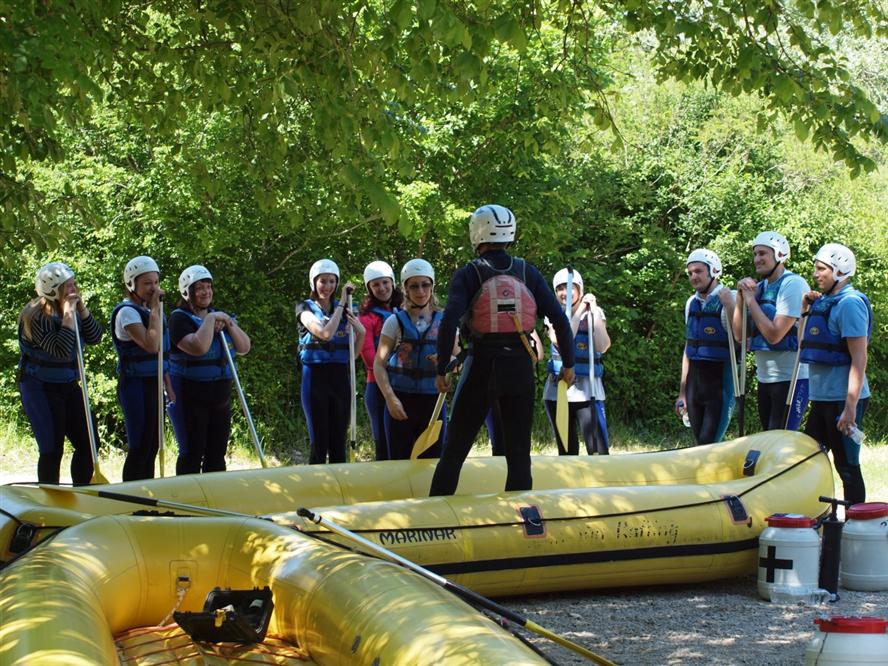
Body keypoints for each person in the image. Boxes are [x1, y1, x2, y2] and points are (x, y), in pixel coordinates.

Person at [429, 204, 575, 495]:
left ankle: (435, 519)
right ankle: (524, 522)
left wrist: (442, 367)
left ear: (476, 233)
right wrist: (569, 364)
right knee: (519, 454)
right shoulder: (527, 271)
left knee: (455, 450)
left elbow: (448, 323)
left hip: (481, 364)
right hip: (519, 367)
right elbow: (559, 318)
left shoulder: (469, 274)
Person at [18, 262, 103, 484]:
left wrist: (82, 310)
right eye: (68, 287)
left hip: (67, 384)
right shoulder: (35, 315)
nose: (74, 290)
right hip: (40, 387)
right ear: (53, 290)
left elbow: (94, 338)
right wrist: (67, 316)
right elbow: (62, 351)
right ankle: (48, 500)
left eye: (74, 284)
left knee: (89, 442)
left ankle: (81, 491)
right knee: (51, 448)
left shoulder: (73, 308)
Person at [800, 243, 872, 505]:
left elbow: (859, 358)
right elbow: (802, 344)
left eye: (822, 269)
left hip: (843, 399)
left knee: (847, 467)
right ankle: (817, 518)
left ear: (840, 271)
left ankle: (857, 526)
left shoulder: (850, 304)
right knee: (807, 460)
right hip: (823, 398)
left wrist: (850, 408)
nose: (816, 274)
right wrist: (804, 308)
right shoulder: (823, 302)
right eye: (816, 269)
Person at [169, 265, 251, 474]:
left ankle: (215, 497)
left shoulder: (220, 316)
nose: (206, 292)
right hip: (190, 393)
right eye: (199, 288)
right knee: (192, 452)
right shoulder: (179, 319)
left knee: (217, 453)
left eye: (208, 287)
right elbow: (198, 347)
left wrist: (229, 323)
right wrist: (212, 320)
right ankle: (186, 500)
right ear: (187, 292)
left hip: (220, 395)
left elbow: (244, 347)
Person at [374, 259, 457, 459]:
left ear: (432, 286)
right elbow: (379, 365)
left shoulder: (446, 323)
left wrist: (448, 362)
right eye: (414, 286)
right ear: (406, 289)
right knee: (398, 462)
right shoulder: (394, 322)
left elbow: (457, 360)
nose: (420, 291)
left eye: (425, 284)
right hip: (401, 400)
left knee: (432, 463)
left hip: (433, 402)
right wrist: (390, 398)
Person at [732, 232, 810, 431]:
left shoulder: (793, 284)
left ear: (780, 255)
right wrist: (741, 298)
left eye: (762, 253)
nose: (757, 259)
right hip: (765, 378)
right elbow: (739, 335)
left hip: (791, 379)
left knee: (781, 440)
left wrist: (750, 300)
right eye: (755, 254)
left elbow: (775, 335)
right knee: (769, 437)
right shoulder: (760, 287)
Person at [110, 256, 174, 481]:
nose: (154, 288)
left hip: (153, 382)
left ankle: (148, 490)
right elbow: (151, 345)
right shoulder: (127, 313)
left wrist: (169, 385)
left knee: (153, 443)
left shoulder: (152, 311)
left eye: (156, 282)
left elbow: (162, 355)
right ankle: (130, 494)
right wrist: (156, 310)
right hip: (134, 383)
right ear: (132, 285)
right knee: (139, 443)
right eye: (147, 283)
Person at [297, 259, 365, 464]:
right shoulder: (304, 308)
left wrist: (361, 332)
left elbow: (352, 355)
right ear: (314, 283)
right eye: (323, 281)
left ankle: (341, 492)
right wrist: (343, 303)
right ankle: (315, 491)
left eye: (332, 281)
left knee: (338, 444)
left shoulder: (346, 310)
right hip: (314, 379)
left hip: (339, 379)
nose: (327, 287)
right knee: (319, 443)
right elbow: (325, 333)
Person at [543, 268, 612, 455]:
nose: (564, 293)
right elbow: (563, 340)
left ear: (579, 289)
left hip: (588, 389)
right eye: (560, 289)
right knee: (567, 450)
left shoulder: (594, 313)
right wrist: (581, 309)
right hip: (559, 390)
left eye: (569, 287)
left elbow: (603, 346)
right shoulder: (552, 314)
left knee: (598, 450)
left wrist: (595, 312)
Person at [676, 249, 737, 445]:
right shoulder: (691, 303)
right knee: (699, 445)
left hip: (719, 383)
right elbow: (689, 348)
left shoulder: (729, 298)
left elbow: (739, 340)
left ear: (713, 271)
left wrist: (730, 306)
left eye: (699, 271)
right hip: (695, 385)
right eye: (690, 272)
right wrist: (683, 392)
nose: (694, 276)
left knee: (707, 446)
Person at [358, 260, 403, 460]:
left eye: (385, 283)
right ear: (369, 289)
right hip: (377, 386)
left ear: (392, 283)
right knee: (384, 444)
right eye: (376, 285)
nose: (382, 288)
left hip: (405, 384)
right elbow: (369, 358)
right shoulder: (367, 318)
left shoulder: (405, 311)